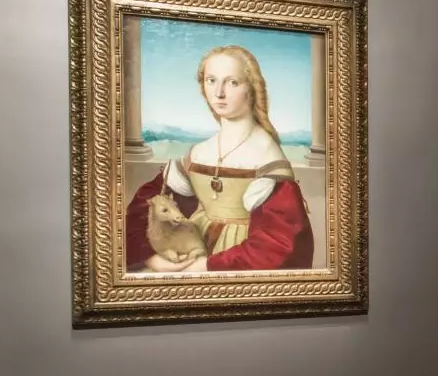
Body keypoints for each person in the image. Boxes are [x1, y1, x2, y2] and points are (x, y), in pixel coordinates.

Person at [125, 44, 315, 273]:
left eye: (232, 82)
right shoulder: (198, 151)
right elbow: (147, 206)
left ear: (251, 88)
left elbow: (279, 244)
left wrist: (206, 267)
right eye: (211, 81)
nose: (219, 93)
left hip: (239, 262)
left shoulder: (267, 156)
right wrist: (152, 257)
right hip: (191, 248)